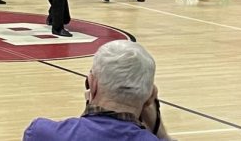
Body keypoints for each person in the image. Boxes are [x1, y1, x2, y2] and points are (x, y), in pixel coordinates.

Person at [23, 40, 168, 140]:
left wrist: (89, 111)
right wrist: (161, 134)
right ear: (151, 96)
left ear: (92, 85)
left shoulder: (41, 133)